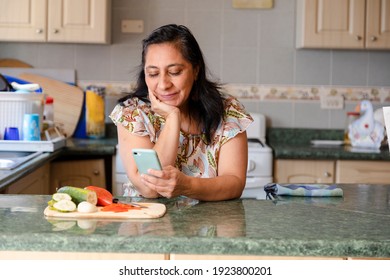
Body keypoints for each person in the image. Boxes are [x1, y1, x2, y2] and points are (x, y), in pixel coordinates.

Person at [110, 24, 253, 201]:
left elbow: (235, 183)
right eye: (153, 74)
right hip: (148, 226)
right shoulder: (132, 113)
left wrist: (187, 186)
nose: (163, 84)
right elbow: (150, 189)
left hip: (210, 225)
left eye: (174, 72)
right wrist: (172, 119)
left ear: (196, 70)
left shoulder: (228, 112)